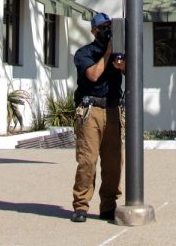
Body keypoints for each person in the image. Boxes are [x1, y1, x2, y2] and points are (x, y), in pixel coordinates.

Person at [70, 12, 126, 223]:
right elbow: (93, 75)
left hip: (113, 109)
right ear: (93, 31)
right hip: (91, 110)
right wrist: (108, 53)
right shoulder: (84, 53)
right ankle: (81, 205)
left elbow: (134, 74)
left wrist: (123, 65)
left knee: (113, 163)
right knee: (88, 160)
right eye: (102, 28)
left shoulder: (119, 52)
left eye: (109, 27)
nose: (106, 31)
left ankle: (108, 206)